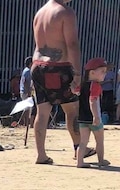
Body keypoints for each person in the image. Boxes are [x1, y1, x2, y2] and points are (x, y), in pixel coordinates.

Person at [30, 0, 84, 165]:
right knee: (72, 109)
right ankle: (78, 149)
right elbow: (72, 44)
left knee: (42, 111)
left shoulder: (40, 13)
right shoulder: (65, 12)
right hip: (58, 67)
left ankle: (41, 154)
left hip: (37, 66)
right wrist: (77, 74)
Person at [76, 58, 109, 169]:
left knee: (83, 142)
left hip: (82, 118)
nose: (105, 74)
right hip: (94, 118)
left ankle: (80, 162)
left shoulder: (82, 84)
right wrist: (96, 116)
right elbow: (93, 100)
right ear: (92, 72)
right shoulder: (95, 85)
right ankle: (101, 161)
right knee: (99, 141)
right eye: (102, 71)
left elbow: (75, 91)